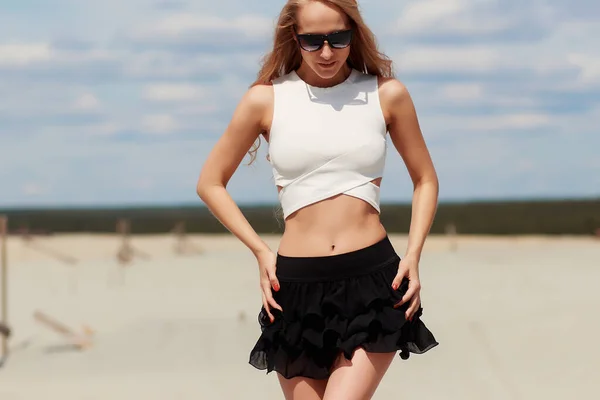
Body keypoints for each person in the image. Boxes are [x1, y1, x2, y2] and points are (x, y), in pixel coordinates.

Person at [196, 0, 439, 398]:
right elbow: (210, 182)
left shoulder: (386, 94)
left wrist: (413, 254)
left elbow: (425, 179)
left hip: (372, 280)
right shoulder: (266, 99)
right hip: (293, 287)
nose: (326, 52)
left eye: (338, 38)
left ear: (354, 34)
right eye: (312, 41)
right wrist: (260, 251)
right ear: (294, 37)